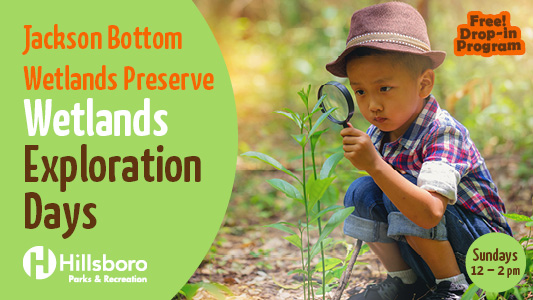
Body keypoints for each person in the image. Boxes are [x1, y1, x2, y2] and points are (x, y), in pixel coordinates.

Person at [324, 2, 512, 300]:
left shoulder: (443, 132)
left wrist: (375, 165)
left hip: (485, 257)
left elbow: (430, 212)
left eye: (384, 88)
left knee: (401, 188)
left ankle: (453, 288)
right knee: (361, 192)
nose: (372, 105)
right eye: (360, 91)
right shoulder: (381, 133)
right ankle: (406, 282)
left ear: (424, 84)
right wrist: (374, 168)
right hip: (437, 246)